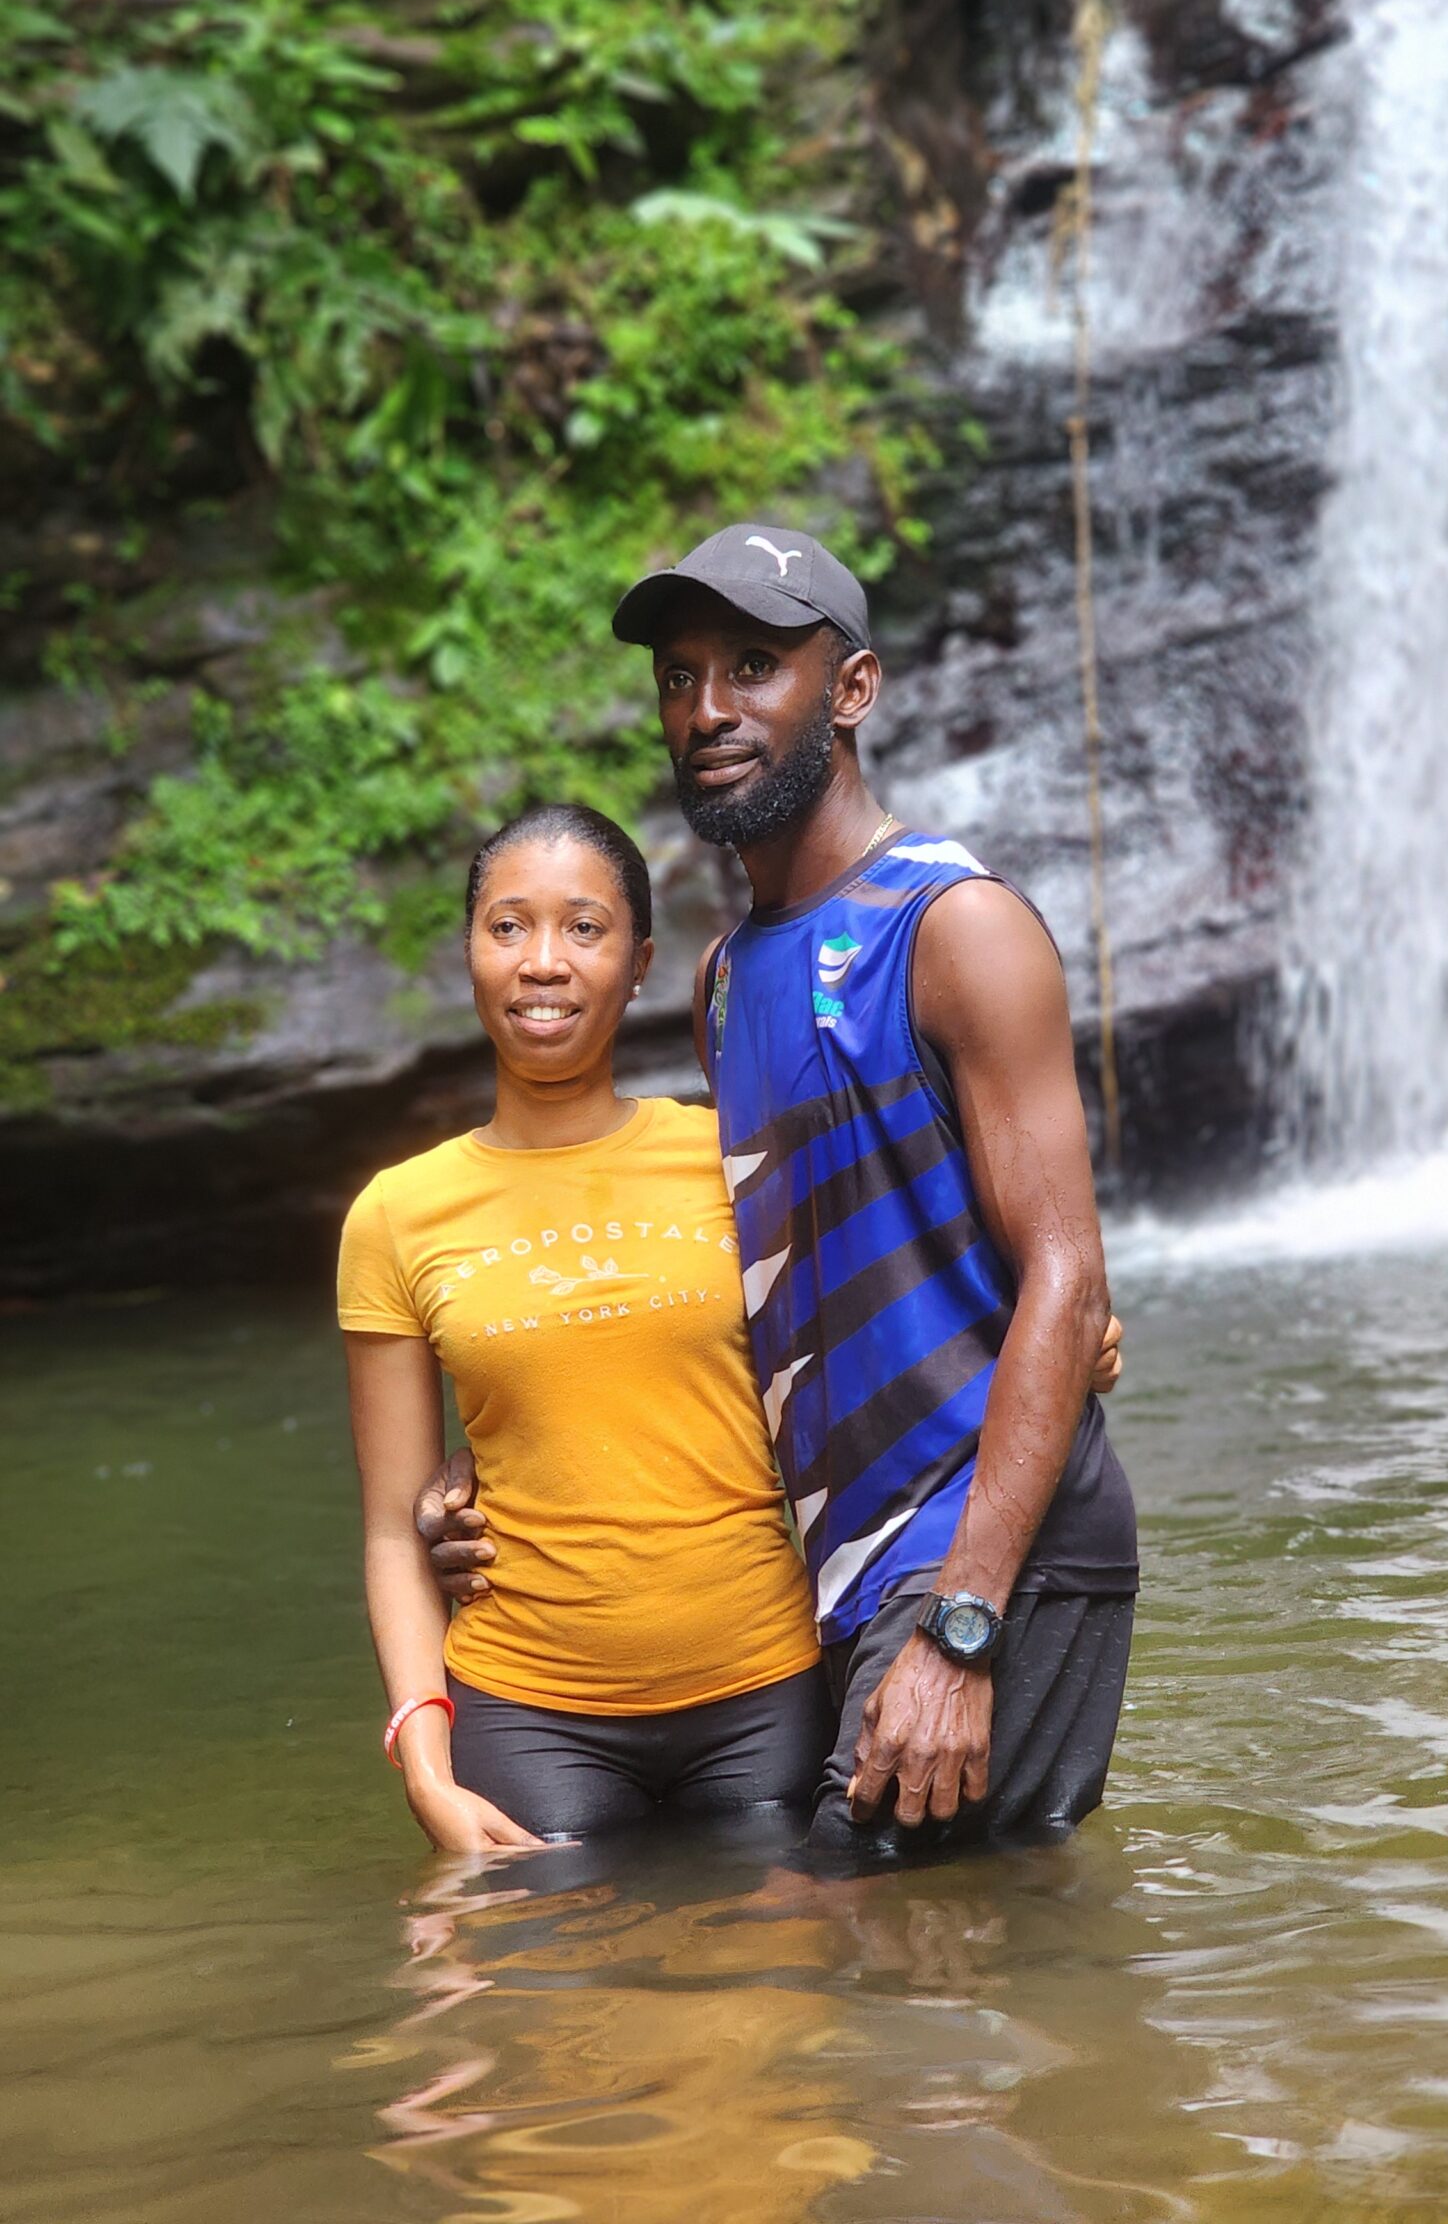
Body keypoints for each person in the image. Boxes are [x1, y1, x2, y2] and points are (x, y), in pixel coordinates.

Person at [422, 525, 1139, 1861]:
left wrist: (964, 1628)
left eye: (754, 666)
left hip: (985, 1552)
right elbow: (773, 1289)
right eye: (680, 677)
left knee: (832, 1945)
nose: (708, 709)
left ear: (852, 688)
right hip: (849, 1577)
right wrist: (497, 1470)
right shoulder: (725, 981)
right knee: (951, 1952)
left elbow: (1067, 1276)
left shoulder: (957, 929)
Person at [338, 803, 831, 1850]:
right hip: (528, 1713)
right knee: (546, 1961)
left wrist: (1045, 1329)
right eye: (508, 926)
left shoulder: (734, 1158)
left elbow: (867, 1346)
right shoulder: (395, 1215)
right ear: (469, 954)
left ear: (640, 962)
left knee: (792, 1958)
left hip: (765, 1689)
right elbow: (391, 1528)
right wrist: (424, 1764)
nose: (543, 962)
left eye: (585, 928)